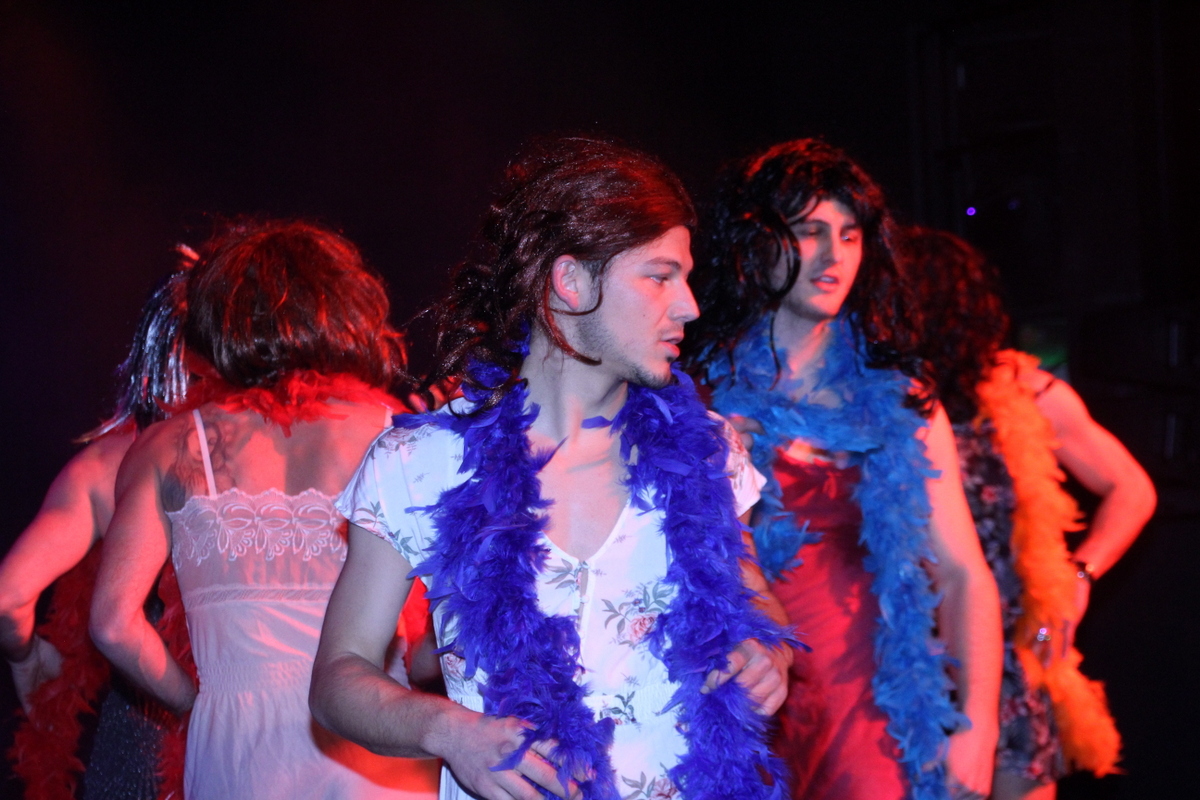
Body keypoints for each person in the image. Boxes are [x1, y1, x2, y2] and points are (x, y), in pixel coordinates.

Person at [310, 136, 793, 800]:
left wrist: (769, 653)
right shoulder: (420, 462)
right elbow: (339, 675)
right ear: (571, 282)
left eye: (684, 277)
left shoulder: (708, 450)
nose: (689, 306)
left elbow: (754, 593)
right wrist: (448, 731)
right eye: (659, 277)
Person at [682, 139, 1003, 800]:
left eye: (850, 235)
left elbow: (963, 572)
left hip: (866, 712)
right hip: (736, 699)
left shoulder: (904, 402)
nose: (834, 256)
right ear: (756, 242)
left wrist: (980, 723)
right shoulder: (695, 395)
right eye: (810, 231)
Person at [89, 220, 440, 800]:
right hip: (376, 738)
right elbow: (452, 620)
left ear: (215, 322)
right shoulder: (396, 433)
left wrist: (197, 702)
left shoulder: (168, 448)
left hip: (240, 754)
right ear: (340, 309)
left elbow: (111, 623)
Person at [900, 226, 1156, 800]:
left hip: (1008, 650)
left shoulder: (1026, 393)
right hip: (905, 648)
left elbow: (1132, 488)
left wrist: (1080, 572)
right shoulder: (879, 401)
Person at [1, 262, 192, 800]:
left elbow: (7, 596)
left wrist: (26, 659)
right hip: (257, 733)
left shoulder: (104, 466)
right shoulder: (270, 455)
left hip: (136, 745)